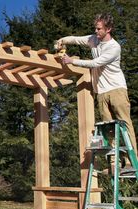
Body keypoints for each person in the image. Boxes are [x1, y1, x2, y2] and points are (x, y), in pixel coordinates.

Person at [54, 13, 137, 159]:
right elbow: (76, 39)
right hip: (101, 91)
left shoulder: (114, 47)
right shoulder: (93, 39)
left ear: (108, 29)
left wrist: (71, 61)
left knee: (125, 123)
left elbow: (95, 63)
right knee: (107, 129)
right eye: (95, 28)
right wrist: (62, 40)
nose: (96, 31)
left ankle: (134, 159)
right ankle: (114, 163)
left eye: (99, 29)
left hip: (117, 89)